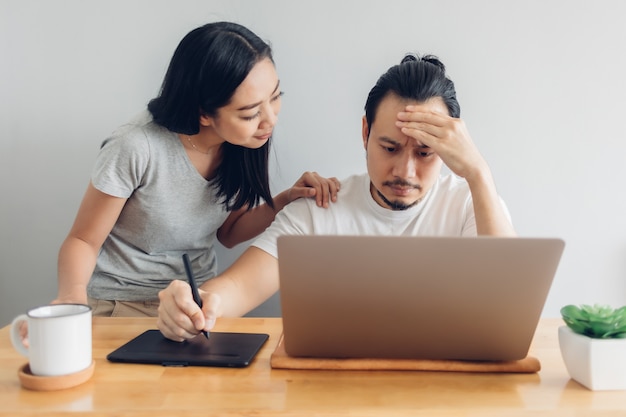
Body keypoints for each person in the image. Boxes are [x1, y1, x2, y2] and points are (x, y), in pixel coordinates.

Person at [157, 53, 516, 341]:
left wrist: (478, 173)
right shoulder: (320, 208)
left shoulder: (473, 204)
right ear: (365, 132)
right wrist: (193, 305)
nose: (404, 172)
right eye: (389, 147)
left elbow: (506, 308)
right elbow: (238, 287)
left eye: (425, 153)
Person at [52, 22, 340, 317]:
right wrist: (72, 300)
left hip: (195, 303)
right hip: (123, 304)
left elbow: (229, 233)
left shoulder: (243, 141)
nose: (270, 119)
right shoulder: (136, 146)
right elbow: (83, 240)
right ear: (203, 113)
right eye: (251, 112)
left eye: (276, 97)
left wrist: (285, 202)